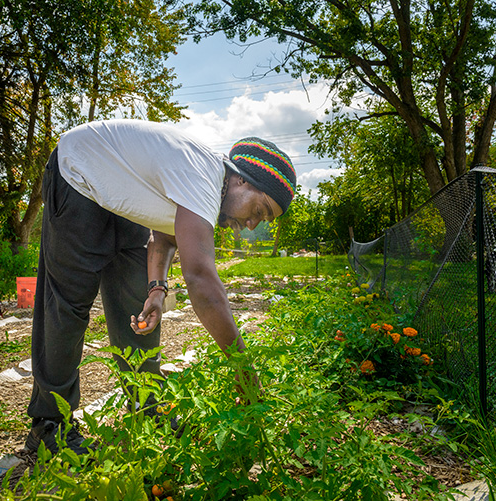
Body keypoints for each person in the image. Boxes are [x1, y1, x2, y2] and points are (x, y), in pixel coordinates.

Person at [25, 119, 296, 455]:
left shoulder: (205, 191)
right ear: (241, 179)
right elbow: (201, 280)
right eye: (258, 210)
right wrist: (243, 368)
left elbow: (165, 238)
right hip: (79, 172)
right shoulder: (205, 177)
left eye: (262, 220)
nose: (251, 224)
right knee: (69, 304)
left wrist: (156, 290)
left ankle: (146, 408)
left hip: (120, 194)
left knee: (135, 305)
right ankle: (49, 426)